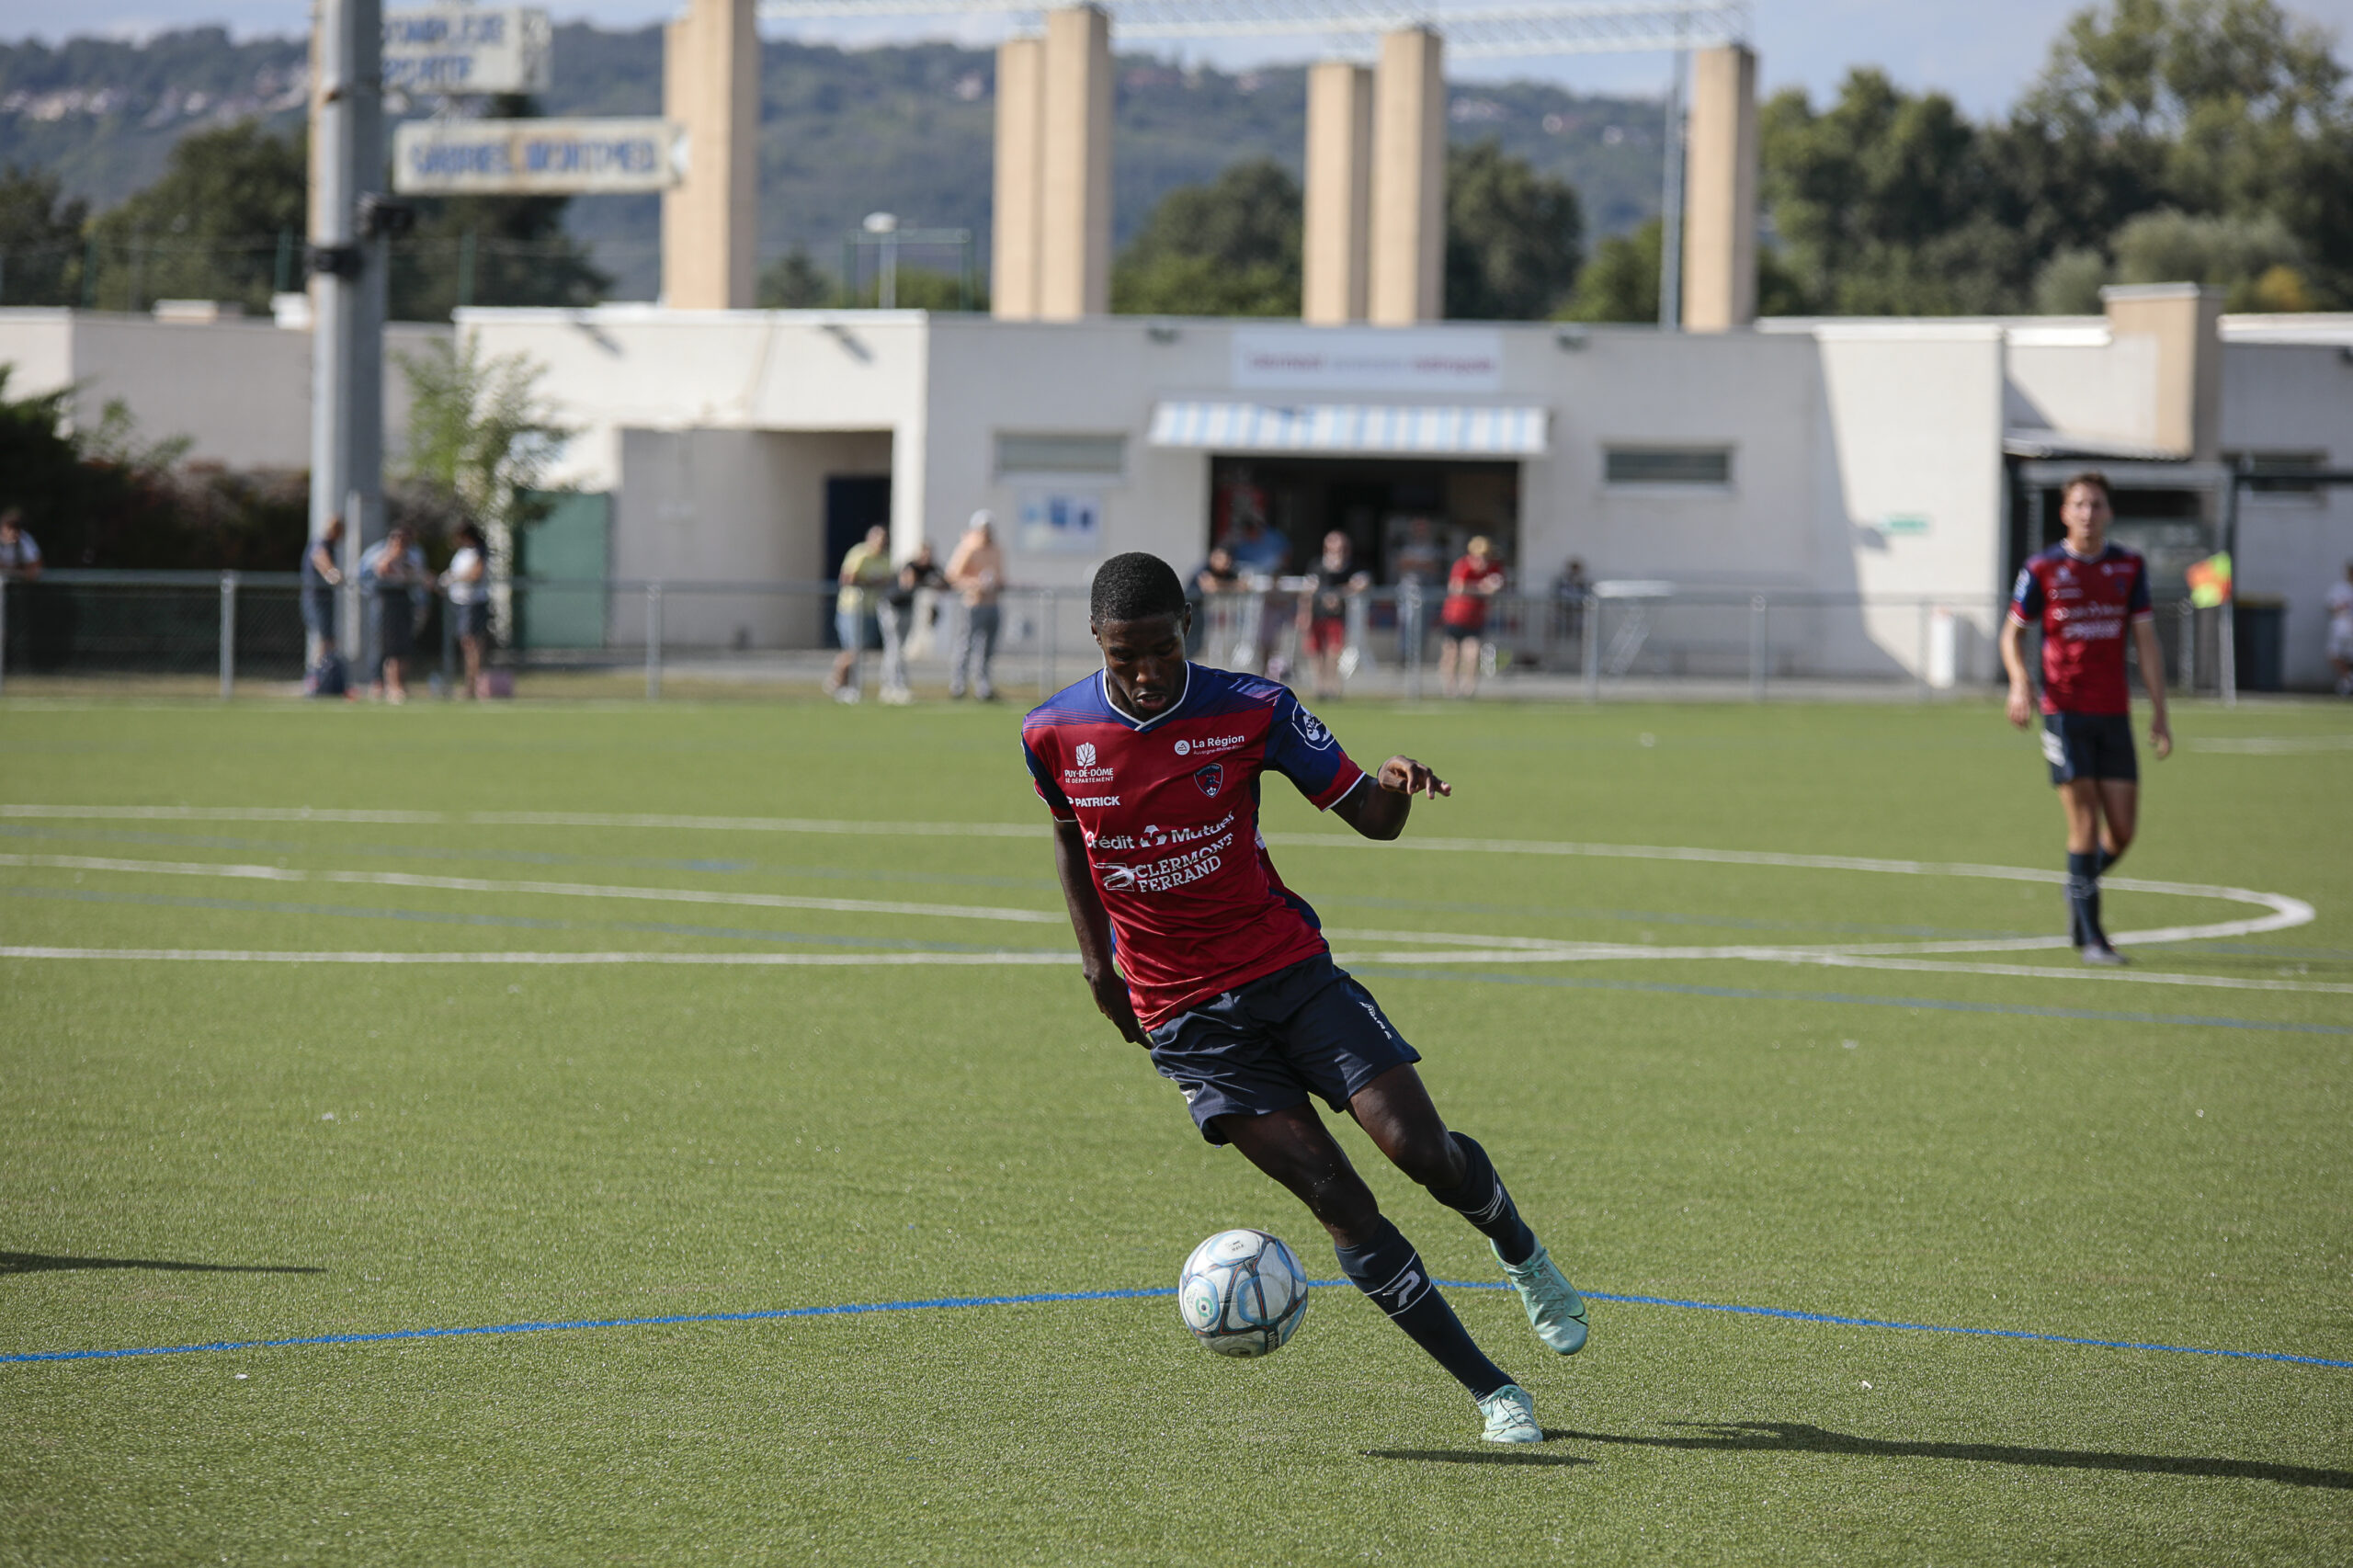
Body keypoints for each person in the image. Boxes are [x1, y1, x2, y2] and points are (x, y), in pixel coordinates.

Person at [1020, 552, 1590, 1447]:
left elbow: (1367, 815)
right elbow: (1067, 838)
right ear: (1096, 638)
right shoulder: (1051, 732)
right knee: (1337, 1196)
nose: (1144, 671)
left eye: (1162, 648)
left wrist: (1397, 787)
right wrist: (1098, 966)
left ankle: (1523, 1255)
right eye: (1126, 653)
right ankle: (1492, 1391)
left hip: (1288, 971)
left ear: (1188, 630)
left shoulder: (1252, 706)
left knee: (1419, 1148)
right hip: (1184, 1015)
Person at [2000, 471, 2172, 965]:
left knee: (2121, 831)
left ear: (2109, 513)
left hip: (2113, 712)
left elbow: (2145, 640)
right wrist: (2019, 682)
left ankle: (2078, 884)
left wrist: (2160, 711)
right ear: (2064, 513)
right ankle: (2093, 937)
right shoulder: (2043, 568)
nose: (2088, 513)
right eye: (2079, 504)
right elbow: (2011, 635)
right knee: (2083, 822)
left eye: (2097, 505)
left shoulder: (2128, 566)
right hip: (2064, 711)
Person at [1295, 529, 1370, 701]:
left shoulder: (1353, 566)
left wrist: (1339, 594)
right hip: (1317, 615)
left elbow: (1361, 584)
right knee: (1316, 653)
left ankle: (1333, 688)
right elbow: (1307, 592)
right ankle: (1319, 688)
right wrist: (1303, 614)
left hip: (1338, 617)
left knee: (1333, 652)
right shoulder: (1317, 565)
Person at [358, 524, 428, 705]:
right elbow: (381, 569)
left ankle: (401, 684)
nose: (401, 543)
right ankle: (387, 684)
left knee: (403, 645)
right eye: (397, 538)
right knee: (387, 645)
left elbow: (418, 576)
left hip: (404, 599)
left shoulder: (413, 554)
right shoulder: (380, 552)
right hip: (386, 601)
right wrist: (394, 554)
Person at [826, 523, 893, 704]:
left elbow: (887, 580)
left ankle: (846, 685)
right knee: (852, 650)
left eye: (884, 539)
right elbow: (847, 578)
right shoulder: (860, 554)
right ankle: (838, 682)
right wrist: (869, 581)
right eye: (878, 538)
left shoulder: (885, 558)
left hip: (871, 608)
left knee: (860, 651)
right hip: (852, 608)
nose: (881, 542)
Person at [881, 539, 948, 706]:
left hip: (908, 609)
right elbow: (907, 584)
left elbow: (945, 583)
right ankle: (892, 686)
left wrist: (937, 584)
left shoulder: (931, 568)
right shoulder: (910, 566)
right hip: (892, 607)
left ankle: (894, 684)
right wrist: (927, 583)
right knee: (894, 647)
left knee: (899, 648)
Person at [947, 510, 1005, 700]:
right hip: (973, 604)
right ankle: (958, 685)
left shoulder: (996, 549)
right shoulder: (968, 548)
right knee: (966, 645)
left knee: (988, 648)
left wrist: (997, 583)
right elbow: (953, 575)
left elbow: (1000, 575)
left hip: (993, 603)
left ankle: (983, 686)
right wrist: (975, 584)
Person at [1438, 535, 1506, 699]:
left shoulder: (1493, 568)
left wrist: (1488, 587)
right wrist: (1480, 588)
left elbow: (1497, 584)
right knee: (1451, 653)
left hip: (1475, 618)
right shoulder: (1463, 565)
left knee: (1472, 652)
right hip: (1455, 616)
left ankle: (1468, 688)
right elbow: (1456, 587)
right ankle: (1449, 687)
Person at [440, 522, 490, 700]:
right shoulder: (462, 553)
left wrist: (454, 578)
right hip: (460, 603)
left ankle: (472, 686)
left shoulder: (478, 551)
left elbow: (476, 574)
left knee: (472, 645)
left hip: (472, 603)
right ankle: (470, 685)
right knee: (466, 645)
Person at [1391, 517, 1444, 669]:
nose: (1420, 532)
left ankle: (1417, 658)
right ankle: (1404, 657)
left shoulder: (1433, 547)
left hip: (1426, 591)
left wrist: (1415, 563)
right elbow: (1401, 563)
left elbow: (1434, 566)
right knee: (1405, 624)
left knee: (1423, 625)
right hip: (1407, 591)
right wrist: (1421, 563)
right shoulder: (1405, 545)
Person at [1187, 544, 1242, 661]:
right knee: (1193, 643)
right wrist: (1229, 586)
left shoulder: (1228, 573)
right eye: (1221, 559)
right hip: (1193, 609)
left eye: (1227, 561)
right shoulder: (1204, 569)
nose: (1225, 564)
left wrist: (1223, 585)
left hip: (1207, 612)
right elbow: (1209, 586)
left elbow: (1243, 584)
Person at [2327, 561, 2353, 698]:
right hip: (2341, 628)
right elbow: (2330, 606)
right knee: (2334, 655)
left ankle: (2348, 682)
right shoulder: (2340, 588)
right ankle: (2348, 680)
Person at [0, 507, 45, 583]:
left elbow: (36, 565)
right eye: (9, 527)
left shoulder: (25, 540)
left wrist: (23, 572)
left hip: (18, 584)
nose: (12, 531)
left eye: (15, 527)